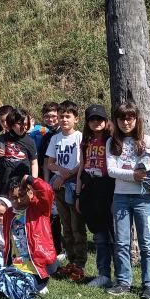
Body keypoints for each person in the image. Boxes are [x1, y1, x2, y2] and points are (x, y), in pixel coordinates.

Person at [105, 102, 150, 299]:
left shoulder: (148, 141)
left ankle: (149, 285)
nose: (126, 123)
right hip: (121, 198)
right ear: (116, 121)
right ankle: (123, 281)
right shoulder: (112, 143)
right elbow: (111, 170)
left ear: (136, 120)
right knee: (122, 243)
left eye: (130, 118)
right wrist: (134, 175)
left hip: (144, 198)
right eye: (121, 119)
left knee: (147, 244)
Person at [45, 100, 87, 278]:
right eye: (61, 116)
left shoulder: (79, 137)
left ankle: (80, 261)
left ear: (75, 119)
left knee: (77, 225)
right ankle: (70, 260)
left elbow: (82, 162)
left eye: (67, 116)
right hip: (59, 186)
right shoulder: (55, 138)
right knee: (66, 225)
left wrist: (66, 174)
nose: (63, 120)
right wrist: (59, 172)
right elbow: (50, 163)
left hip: (73, 183)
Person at [75, 104, 116, 289]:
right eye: (92, 119)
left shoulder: (112, 140)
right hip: (89, 189)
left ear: (106, 121)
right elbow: (81, 168)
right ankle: (103, 274)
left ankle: (122, 275)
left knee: (114, 234)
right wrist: (77, 194)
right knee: (99, 235)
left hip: (108, 188)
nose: (96, 122)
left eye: (99, 119)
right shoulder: (86, 141)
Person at [2, 175, 58, 293]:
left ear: (31, 192)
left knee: (18, 289)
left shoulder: (40, 209)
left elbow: (47, 191)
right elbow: (8, 243)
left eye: (21, 196)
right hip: (17, 264)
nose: (18, 201)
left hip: (37, 265)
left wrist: (30, 179)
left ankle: (38, 285)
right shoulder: (8, 214)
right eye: (13, 198)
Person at [0, 108, 38, 197]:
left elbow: (34, 163)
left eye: (26, 124)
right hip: (4, 179)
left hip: (22, 180)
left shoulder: (30, 141)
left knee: (20, 204)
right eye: (20, 124)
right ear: (11, 124)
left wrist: (33, 180)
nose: (23, 127)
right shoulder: (2, 138)